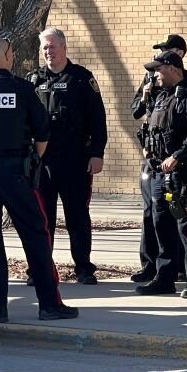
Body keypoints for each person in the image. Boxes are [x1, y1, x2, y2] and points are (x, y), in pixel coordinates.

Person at [0, 37, 78, 323]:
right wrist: (33, 160)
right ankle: (49, 304)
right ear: (9, 56)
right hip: (16, 172)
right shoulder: (23, 89)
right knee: (36, 236)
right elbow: (43, 134)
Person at [130, 34, 187, 284]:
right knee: (159, 221)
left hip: (182, 169)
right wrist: (148, 148)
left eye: (159, 68)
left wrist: (177, 156)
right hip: (156, 168)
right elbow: (146, 121)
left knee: (186, 224)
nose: (154, 73)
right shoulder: (159, 93)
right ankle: (162, 277)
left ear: (174, 64)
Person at [26, 28, 107, 285]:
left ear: (63, 46)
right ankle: (40, 269)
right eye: (44, 48)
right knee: (42, 218)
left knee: (77, 216)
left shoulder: (82, 79)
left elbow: (98, 119)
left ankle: (83, 268)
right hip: (43, 162)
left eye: (51, 46)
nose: (48, 52)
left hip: (75, 160)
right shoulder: (33, 81)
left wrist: (97, 153)